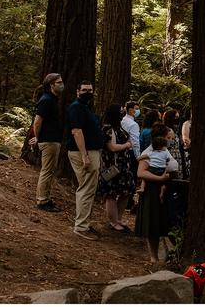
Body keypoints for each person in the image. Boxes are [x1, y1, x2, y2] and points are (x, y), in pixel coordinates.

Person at [67, 81, 104, 240]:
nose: (88, 92)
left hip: (90, 151)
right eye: (84, 90)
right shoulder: (76, 107)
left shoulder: (86, 107)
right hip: (84, 153)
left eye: (90, 90)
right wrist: (84, 155)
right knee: (86, 190)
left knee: (87, 189)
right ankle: (81, 227)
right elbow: (76, 131)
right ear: (77, 91)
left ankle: (84, 223)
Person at [134, 124, 173, 264]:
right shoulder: (149, 151)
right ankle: (154, 256)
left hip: (162, 187)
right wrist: (160, 179)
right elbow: (141, 172)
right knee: (153, 224)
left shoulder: (163, 150)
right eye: (168, 137)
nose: (170, 140)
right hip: (152, 190)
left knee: (162, 222)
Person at [29, 73, 65, 212]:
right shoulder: (47, 100)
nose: (62, 85)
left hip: (52, 140)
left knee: (49, 171)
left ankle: (45, 198)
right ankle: (43, 201)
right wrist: (39, 137)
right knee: (47, 171)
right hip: (48, 140)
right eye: (59, 82)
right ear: (51, 85)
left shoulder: (52, 99)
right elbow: (37, 122)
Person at [98, 104, 136, 233]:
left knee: (127, 191)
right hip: (112, 167)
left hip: (124, 167)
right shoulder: (108, 128)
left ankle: (118, 218)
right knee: (111, 194)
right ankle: (113, 222)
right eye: (120, 111)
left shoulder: (118, 127)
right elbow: (112, 147)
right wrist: (126, 145)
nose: (122, 112)